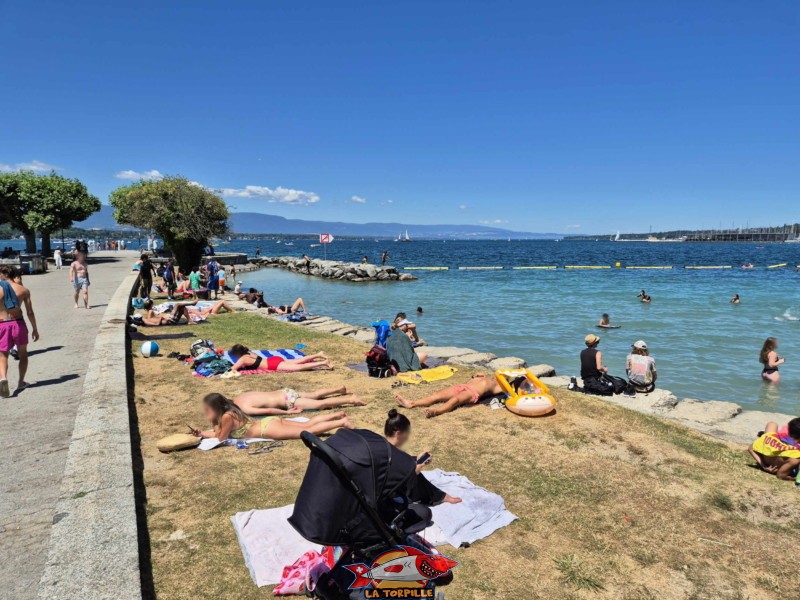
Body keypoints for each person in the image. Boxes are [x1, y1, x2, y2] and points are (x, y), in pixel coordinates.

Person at [190, 393, 353, 442]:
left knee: (308, 431)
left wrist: (211, 423)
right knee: (308, 423)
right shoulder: (232, 410)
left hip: (267, 430)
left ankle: (341, 422)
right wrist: (203, 433)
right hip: (268, 423)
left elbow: (221, 437)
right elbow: (219, 433)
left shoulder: (225, 417)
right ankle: (336, 414)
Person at [384, 409, 461, 505]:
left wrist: (416, 459)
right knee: (416, 475)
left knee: (412, 467)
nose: (407, 438)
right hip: (390, 497)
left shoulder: (383, 446)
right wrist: (413, 472)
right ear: (398, 433)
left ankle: (440, 496)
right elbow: (395, 479)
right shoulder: (393, 454)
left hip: (377, 491)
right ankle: (440, 496)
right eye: (407, 434)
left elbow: (399, 463)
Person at [394, 372, 504, 418]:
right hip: (462, 386)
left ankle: (436, 411)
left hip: (471, 393)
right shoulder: (484, 376)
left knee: (455, 400)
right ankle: (411, 403)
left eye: (504, 375)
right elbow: (468, 381)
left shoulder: (497, 386)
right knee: (436, 395)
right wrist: (475, 376)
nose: (499, 375)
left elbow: (510, 390)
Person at [0, 267, 39, 393]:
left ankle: (3, 378)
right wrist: (35, 329)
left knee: (3, 354)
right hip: (18, 323)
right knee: (23, 354)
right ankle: (21, 382)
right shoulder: (23, 290)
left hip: (2, 324)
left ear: (5, 274)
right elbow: (30, 312)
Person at [233, 386, 366, 415]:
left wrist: (287, 413)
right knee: (314, 394)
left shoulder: (244, 407)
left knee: (320, 404)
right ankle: (338, 389)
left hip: (288, 401)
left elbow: (268, 410)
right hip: (284, 391)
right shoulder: (239, 397)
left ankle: (350, 399)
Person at [229, 344, 333, 373]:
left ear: (237, 353)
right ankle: (318, 354)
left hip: (273, 365)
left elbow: (233, 368)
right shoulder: (249, 353)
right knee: (298, 361)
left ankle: (324, 362)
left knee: (299, 367)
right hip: (273, 359)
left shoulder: (243, 358)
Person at [0, 273, 21, 397]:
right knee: (4, 355)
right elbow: (14, 307)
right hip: (5, 322)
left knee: (2, 355)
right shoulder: (5, 286)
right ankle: (4, 378)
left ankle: (3, 378)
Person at [133, 300, 197, 326]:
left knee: (182, 307)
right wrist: (161, 317)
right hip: (170, 320)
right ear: (151, 305)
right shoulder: (150, 311)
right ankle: (192, 303)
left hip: (169, 319)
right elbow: (152, 321)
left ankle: (189, 321)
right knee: (177, 305)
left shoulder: (150, 312)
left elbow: (152, 319)